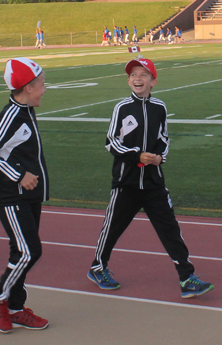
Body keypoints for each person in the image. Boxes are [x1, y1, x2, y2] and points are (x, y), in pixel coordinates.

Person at [87, 57, 214, 299]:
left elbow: (164, 138)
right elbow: (111, 142)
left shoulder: (160, 108)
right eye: (133, 74)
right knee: (112, 228)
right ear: (128, 80)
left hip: (154, 183)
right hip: (127, 183)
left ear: (153, 81)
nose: (137, 78)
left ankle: (187, 277)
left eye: (143, 75)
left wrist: (159, 158)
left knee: (170, 230)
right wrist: (137, 155)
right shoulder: (122, 108)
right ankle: (97, 268)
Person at [0, 57, 50, 333]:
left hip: (27, 195)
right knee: (30, 251)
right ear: (29, 87)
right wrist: (18, 174)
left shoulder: (25, 111)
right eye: (42, 84)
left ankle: (16, 307)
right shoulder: (11, 116)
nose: (45, 89)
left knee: (20, 251)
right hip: (11, 196)